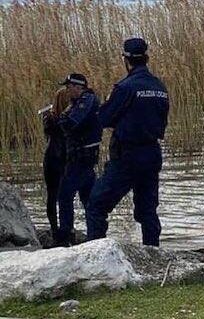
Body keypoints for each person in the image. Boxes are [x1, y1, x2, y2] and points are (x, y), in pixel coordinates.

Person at [86, 38, 169, 247]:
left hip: (127, 156)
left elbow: (104, 118)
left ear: (126, 59)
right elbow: (162, 120)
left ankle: (96, 257)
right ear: (146, 58)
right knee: (147, 210)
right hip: (152, 153)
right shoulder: (159, 87)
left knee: (96, 205)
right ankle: (153, 254)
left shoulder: (125, 87)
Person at [55, 73, 102, 246]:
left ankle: (66, 236)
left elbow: (70, 123)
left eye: (69, 87)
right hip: (82, 158)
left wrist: (61, 117)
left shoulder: (87, 100)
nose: (67, 91)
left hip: (81, 158)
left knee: (65, 195)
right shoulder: (79, 102)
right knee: (88, 199)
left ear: (78, 87)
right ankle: (95, 236)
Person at [41, 86, 71, 240]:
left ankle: (54, 230)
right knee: (66, 196)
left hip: (51, 157)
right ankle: (67, 229)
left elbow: (48, 132)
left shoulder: (48, 117)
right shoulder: (73, 117)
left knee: (51, 196)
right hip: (66, 158)